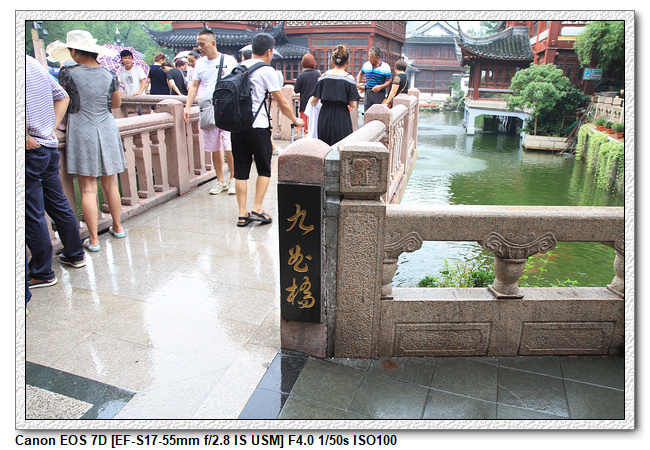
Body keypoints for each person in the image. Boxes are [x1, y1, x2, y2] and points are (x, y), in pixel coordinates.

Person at [50, 30, 127, 252]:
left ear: (74, 52)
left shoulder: (67, 73)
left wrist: (52, 127)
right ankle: (118, 227)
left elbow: (61, 101)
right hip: (107, 128)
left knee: (88, 189)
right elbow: (115, 104)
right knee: (111, 184)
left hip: (81, 129)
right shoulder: (109, 74)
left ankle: (93, 240)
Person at [25, 55, 86, 290]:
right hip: (48, 147)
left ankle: (42, 272)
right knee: (58, 203)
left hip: (31, 149)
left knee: (32, 213)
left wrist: (25, 136)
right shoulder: (32, 63)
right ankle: (75, 254)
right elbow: (63, 96)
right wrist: (49, 129)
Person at [232, 32, 303, 227]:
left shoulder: (237, 68)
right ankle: (257, 208)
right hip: (258, 126)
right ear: (269, 51)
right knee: (264, 169)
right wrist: (295, 119)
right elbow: (282, 102)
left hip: (237, 127)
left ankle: (242, 214)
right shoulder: (266, 70)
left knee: (240, 170)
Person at [183, 29, 238, 195]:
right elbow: (194, 85)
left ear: (213, 43)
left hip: (227, 108)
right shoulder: (199, 63)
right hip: (208, 107)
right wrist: (187, 106)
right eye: (198, 44)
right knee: (214, 147)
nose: (200, 47)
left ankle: (233, 179)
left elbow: (238, 82)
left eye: (202, 44)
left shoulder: (229, 60)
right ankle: (220, 181)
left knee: (229, 146)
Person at [309, 45, 360, 147]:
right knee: (341, 146)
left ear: (332, 60)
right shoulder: (349, 79)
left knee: (324, 146)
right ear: (347, 61)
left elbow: (313, 101)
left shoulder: (324, 76)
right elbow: (353, 104)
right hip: (341, 115)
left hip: (325, 114)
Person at [356, 46, 392, 112]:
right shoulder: (366, 65)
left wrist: (380, 87)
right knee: (367, 112)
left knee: (378, 113)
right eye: (369, 57)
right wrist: (358, 83)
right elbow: (360, 74)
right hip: (368, 92)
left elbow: (389, 80)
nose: (369, 59)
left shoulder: (385, 67)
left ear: (378, 57)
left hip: (379, 93)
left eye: (371, 57)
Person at [293, 53, 320, 134]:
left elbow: (296, 90)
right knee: (314, 126)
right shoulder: (317, 74)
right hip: (316, 103)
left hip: (304, 103)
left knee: (304, 127)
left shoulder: (301, 76)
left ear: (303, 63)